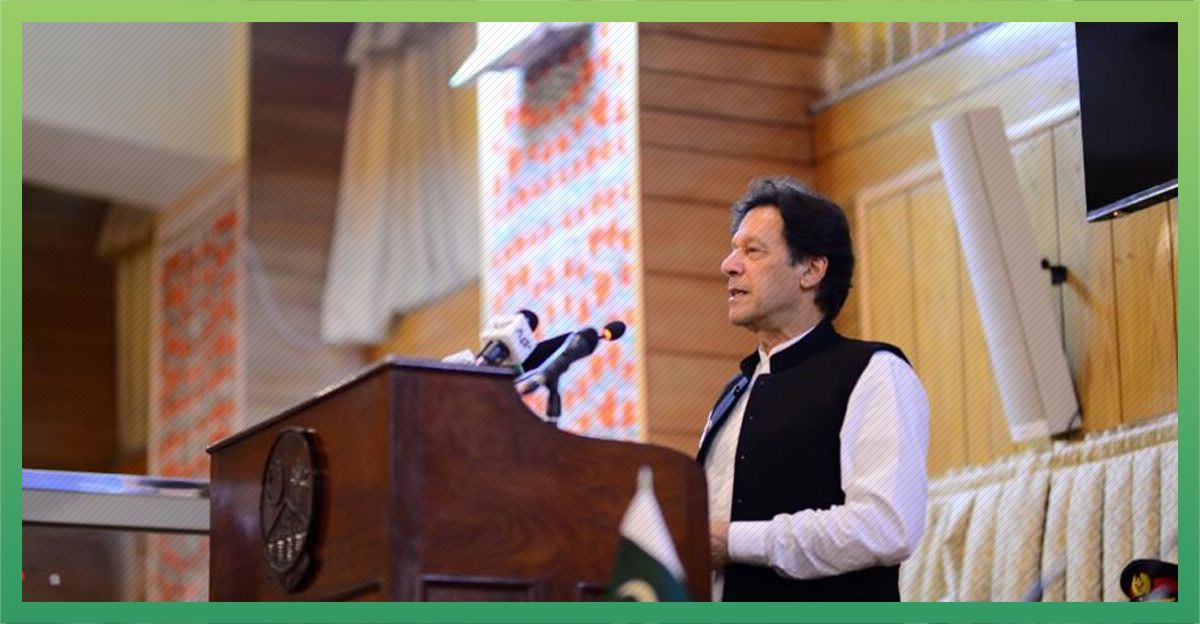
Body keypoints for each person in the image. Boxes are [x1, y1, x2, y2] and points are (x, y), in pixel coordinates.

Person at [697, 177, 930, 601]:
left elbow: (886, 526)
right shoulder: (733, 394)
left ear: (811, 270)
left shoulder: (874, 372)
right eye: (733, 249)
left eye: (752, 251)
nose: (728, 264)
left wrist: (736, 541)